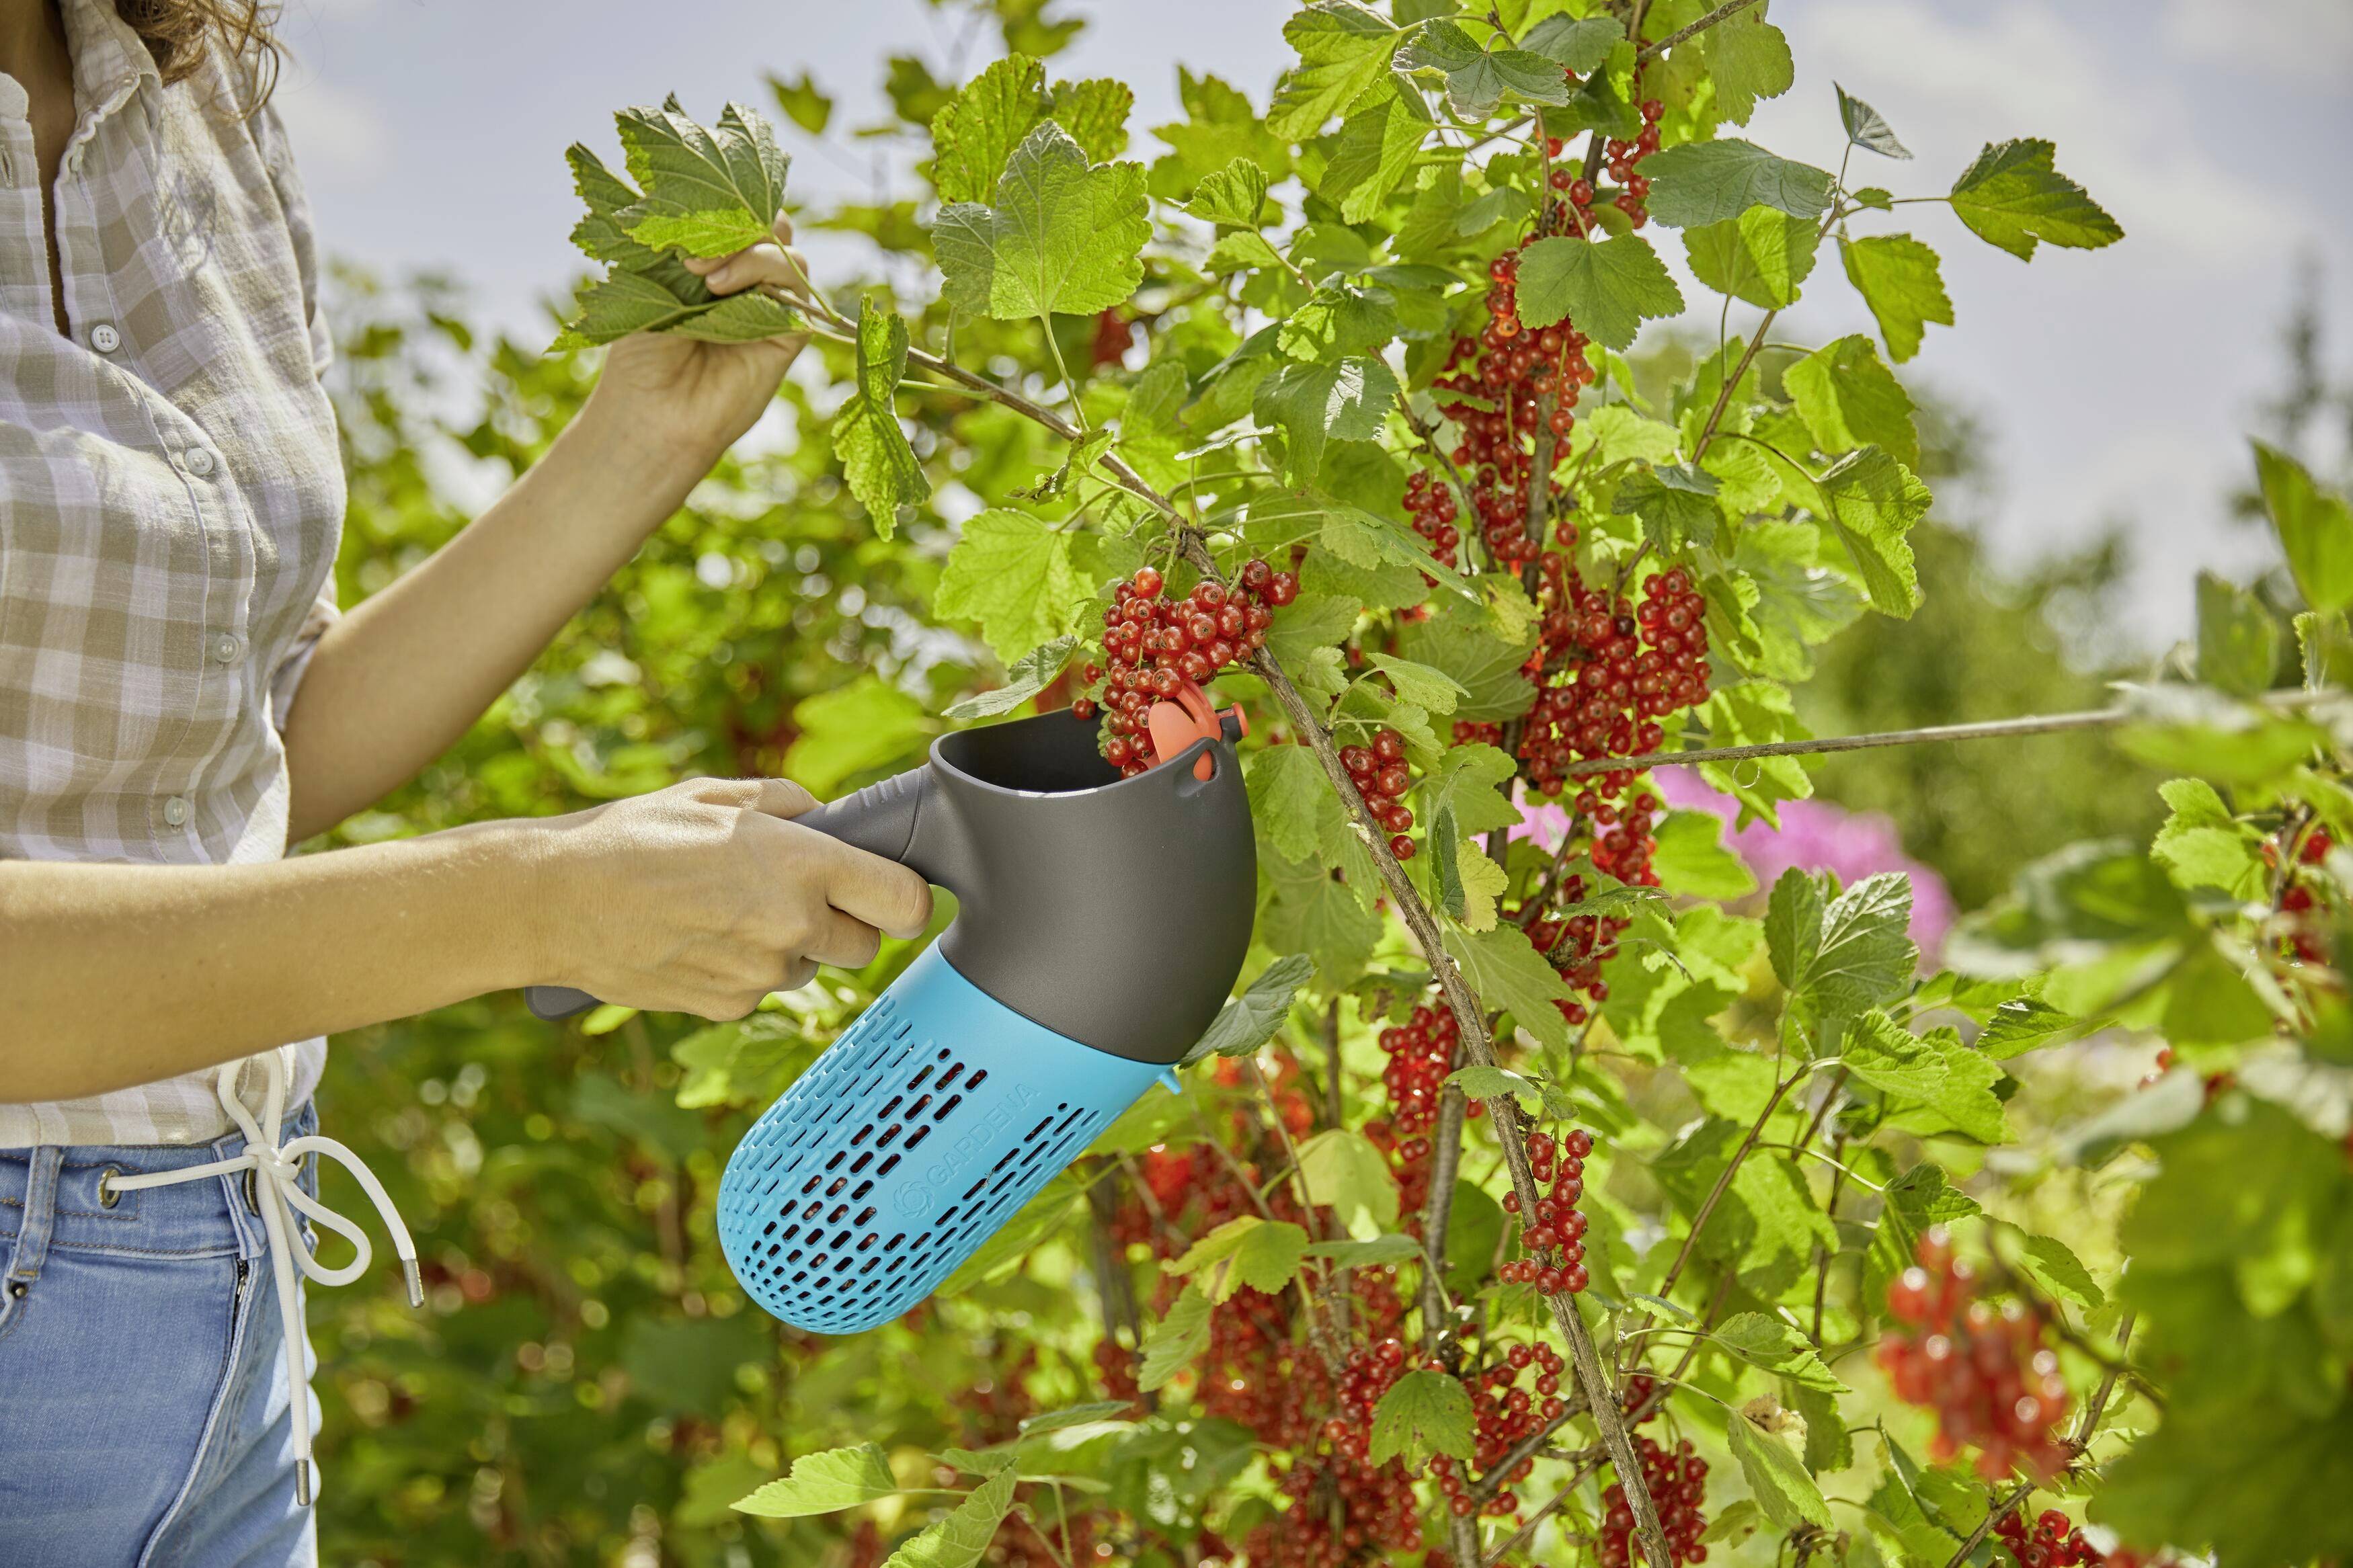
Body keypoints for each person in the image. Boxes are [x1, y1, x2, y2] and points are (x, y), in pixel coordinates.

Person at [0, 1, 932, 1561]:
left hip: (226, 1283)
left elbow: (248, 755)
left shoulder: (184, 86)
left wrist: (635, 444)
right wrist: (535, 903)